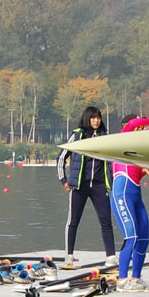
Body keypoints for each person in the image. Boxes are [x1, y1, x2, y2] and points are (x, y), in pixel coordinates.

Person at [56, 106, 117, 270]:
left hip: (99, 185)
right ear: (87, 119)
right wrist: (64, 180)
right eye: (93, 118)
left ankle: (111, 257)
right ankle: (69, 257)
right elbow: (61, 157)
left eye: (98, 118)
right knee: (73, 221)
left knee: (106, 222)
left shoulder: (105, 136)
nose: (96, 121)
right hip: (79, 186)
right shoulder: (77, 135)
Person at [110, 115, 149, 292]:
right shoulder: (123, 139)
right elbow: (132, 123)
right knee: (131, 237)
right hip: (121, 195)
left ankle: (136, 278)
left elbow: (136, 173)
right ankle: (122, 280)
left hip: (135, 196)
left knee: (144, 237)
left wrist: (147, 170)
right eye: (140, 128)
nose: (141, 130)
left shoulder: (136, 151)